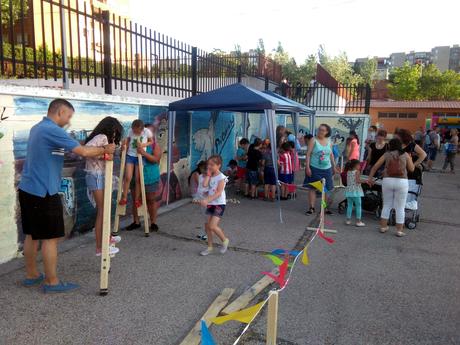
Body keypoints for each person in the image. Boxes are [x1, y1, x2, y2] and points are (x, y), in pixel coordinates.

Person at [18, 98, 115, 293]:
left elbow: (63, 149)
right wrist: (105, 149)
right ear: (60, 112)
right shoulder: (53, 130)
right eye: (68, 116)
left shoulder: (38, 128)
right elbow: (84, 151)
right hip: (44, 191)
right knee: (50, 238)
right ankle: (51, 282)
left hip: (28, 188)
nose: (69, 121)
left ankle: (31, 275)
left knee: (31, 235)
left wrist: (81, 147)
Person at [84, 117, 123, 256]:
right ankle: (100, 247)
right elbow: (87, 150)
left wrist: (105, 155)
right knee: (102, 210)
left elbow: (100, 154)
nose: (114, 135)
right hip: (95, 176)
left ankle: (106, 237)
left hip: (99, 176)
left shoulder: (104, 139)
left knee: (105, 209)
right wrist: (104, 153)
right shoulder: (101, 137)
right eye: (114, 132)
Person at [368, 138, 415, 237]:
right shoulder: (405, 154)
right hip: (402, 182)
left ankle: (383, 227)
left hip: (388, 181)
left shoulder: (387, 154)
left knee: (387, 205)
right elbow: (411, 169)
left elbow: (375, 166)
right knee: (400, 207)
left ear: (390, 145)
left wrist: (370, 178)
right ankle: (399, 230)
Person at [304, 124, 340, 215]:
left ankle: (324, 208)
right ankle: (311, 207)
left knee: (326, 189)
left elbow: (331, 154)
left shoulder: (329, 141)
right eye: (319, 129)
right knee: (312, 188)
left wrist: (334, 166)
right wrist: (307, 167)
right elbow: (308, 154)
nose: (320, 131)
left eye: (322, 130)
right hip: (314, 167)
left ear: (327, 132)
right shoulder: (313, 140)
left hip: (326, 169)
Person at [198, 155, 230, 256]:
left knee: (212, 225)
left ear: (219, 165)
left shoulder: (222, 178)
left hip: (219, 204)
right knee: (207, 226)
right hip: (211, 203)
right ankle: (209, 247)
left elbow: (218, 193)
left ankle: (225, 240)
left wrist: (207, 199)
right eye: (208, 164)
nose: (210, 166)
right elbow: (204, 185)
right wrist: (208, 174)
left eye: (212, 165)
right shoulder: (210, 175)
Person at [119, 119, 153, 208]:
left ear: (142, 129)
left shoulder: (147, 132)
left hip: (140, 156)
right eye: (134, 131)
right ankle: (124, 197)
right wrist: (124, 145)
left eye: (137, 131)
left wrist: (143, 145)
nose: (135, 132)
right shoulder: (130, 131)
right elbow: (127, 139)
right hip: (130, 155)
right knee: (128, 177)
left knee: (138, 179)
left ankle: (137, 199)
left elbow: (151, 141)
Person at [135, 124, 162, 232]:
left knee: (151, 199)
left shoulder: (154, 145)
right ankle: (136, 221)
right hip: (136, 175)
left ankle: (153, 222)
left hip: (150, 176)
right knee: (136, 199)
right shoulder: (135, 143)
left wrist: (144, 153)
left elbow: (156, 159)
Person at [344, 159, 367, 227]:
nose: (360, 166)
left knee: (350, 205)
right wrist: (366, 181)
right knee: (358, 206)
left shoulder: (348, 171)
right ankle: (358, 221)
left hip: (349, 191)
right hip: (356, 192)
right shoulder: (357, 171)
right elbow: (358, 181)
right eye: (359, 165)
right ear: (355, 165)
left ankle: (348, 220)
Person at [190, 161, 208, 240]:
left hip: (207, 199)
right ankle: (205, 233)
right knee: (205, 217)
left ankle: (207, 234)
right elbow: (201, 186)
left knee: (208, 218)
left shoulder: (207, 177)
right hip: (202, 198)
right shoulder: (199, 175)